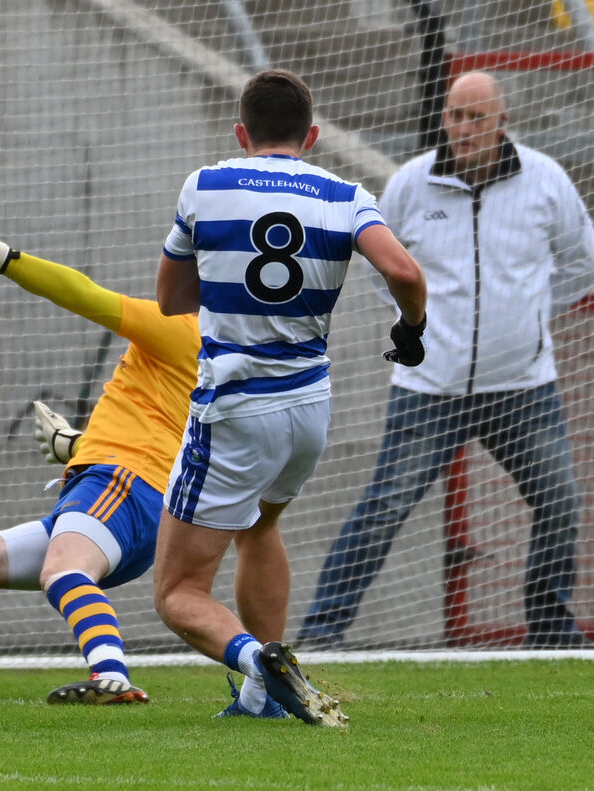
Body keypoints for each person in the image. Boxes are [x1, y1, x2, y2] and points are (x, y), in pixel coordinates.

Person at [0, 194, 293, 715]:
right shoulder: (245, 353)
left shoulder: (185, 326)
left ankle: (113, 675)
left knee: (63, 572)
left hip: (120, 485)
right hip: (131, 494)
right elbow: (169, 427)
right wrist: (78, 448)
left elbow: (84, 294)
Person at [153, 68, 428, 726]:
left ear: (241, 132)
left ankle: (258, 662)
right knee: (259, 527)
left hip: (236, 407)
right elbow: (404, 271)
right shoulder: (344, 194)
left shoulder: (206, 185)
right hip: (308, 407)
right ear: (313, 135)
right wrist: (410, 332)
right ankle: (259, 701)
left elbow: (169, 300)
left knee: (177, 590)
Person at [298, 71, 594, 650]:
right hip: (428, 389)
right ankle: (320, 637)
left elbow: (586, 264)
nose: (464, 128)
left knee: (561, 503)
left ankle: (552, 635)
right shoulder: (411, 184)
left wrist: (532, 319)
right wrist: (420, 328)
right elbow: (381, 269)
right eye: (455, 115)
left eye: (477, 117)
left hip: (523, 389)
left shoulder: (546, 181)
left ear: (502, 122)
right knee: (382, 511)